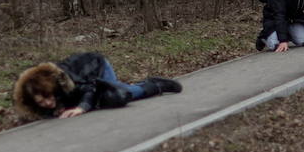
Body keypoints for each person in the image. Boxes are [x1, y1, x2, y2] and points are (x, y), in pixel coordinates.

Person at [12, 53, 182, 120]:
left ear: (52, 90)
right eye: (41, 103)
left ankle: (156, 84)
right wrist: (51, 110)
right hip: (85, 82)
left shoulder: (64, 79)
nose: (47, 103)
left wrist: (81, 108)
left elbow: (89, 87)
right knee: (104, 99)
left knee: (120, 94)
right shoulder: (33, 94)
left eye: (48, 98)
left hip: (97, 67)